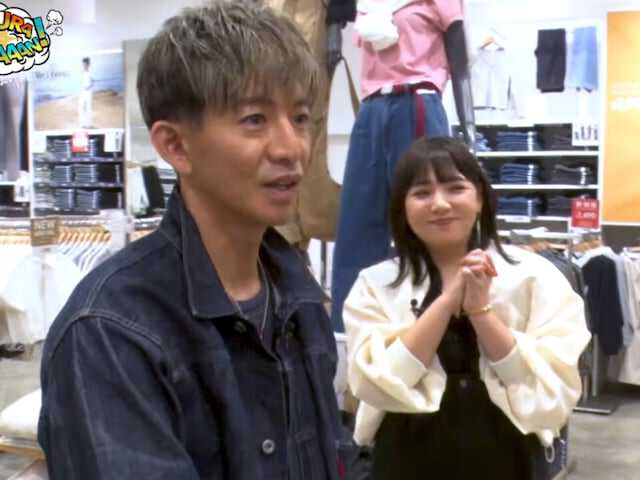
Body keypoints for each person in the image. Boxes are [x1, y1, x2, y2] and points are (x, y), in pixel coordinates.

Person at [38, 2, 343, 478]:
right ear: (175, 146)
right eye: (255, 119)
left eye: (301, 118)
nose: (292, 148)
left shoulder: (298, 298)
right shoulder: (110, 331)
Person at [343, 136, 591, 479]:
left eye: (455, 188)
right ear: (403, 207)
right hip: (404, 460)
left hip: (510, 459)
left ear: (480, 199)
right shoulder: (376, 285)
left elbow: (551, 394)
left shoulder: (535, 277)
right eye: (421, 193)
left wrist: (480, 311)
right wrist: (447, 302)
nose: (439, 204)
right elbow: (381, 383)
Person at [330, 0, 477, 332]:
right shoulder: (367, 3)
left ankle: (440, 326)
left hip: (417, 100)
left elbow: (459, 58)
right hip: (371, 109)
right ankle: (348, 332)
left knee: (428, 218)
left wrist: (469, 125)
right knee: (356, 222)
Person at [78, 56, 93, 128]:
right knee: (81, 107)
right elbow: (81, 81)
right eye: (83, 64)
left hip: (88, 92)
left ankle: (88, 124)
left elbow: (92, 82)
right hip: (82, 91)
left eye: (85, 64)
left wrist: (88, 87)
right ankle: (83, 124)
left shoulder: (90, 72)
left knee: (88, 108)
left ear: (88, 64)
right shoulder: (82, 71)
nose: (83, 65)